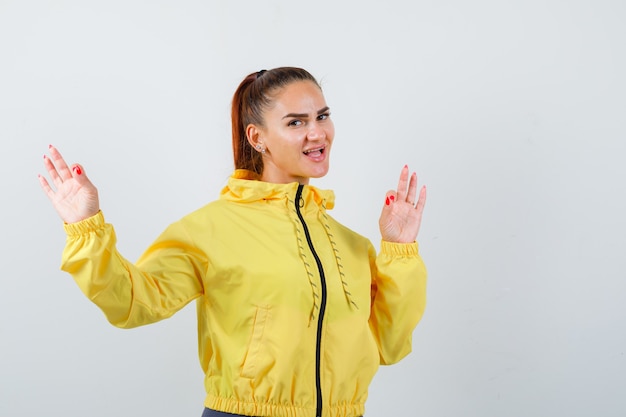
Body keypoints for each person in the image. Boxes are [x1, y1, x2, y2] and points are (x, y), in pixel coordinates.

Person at [38, 67, 427, 417]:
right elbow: (133, 303)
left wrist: (399, 250)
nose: (317, 133)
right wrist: (86, 228)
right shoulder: (210, 229)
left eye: (322, 116)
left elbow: (389, 346)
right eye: (296, 122)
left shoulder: (352, 246)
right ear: (257, 137)